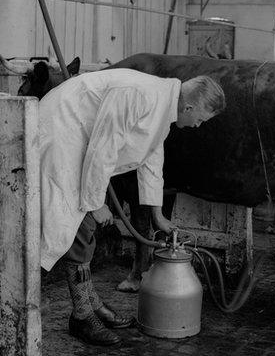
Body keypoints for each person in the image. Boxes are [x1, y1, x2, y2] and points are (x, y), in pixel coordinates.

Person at [38, 68, 226, 345]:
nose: (197, 126)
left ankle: (90, 305)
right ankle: (81, 315)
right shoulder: (139, 95)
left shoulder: (163, 102)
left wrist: (157, 213)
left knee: (84, 229)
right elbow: (103, 148)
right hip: (62, 138)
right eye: (200, 119)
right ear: (188, 106)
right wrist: (96, 202)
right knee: (77, 227)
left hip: (82, 147)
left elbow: (151, 159)